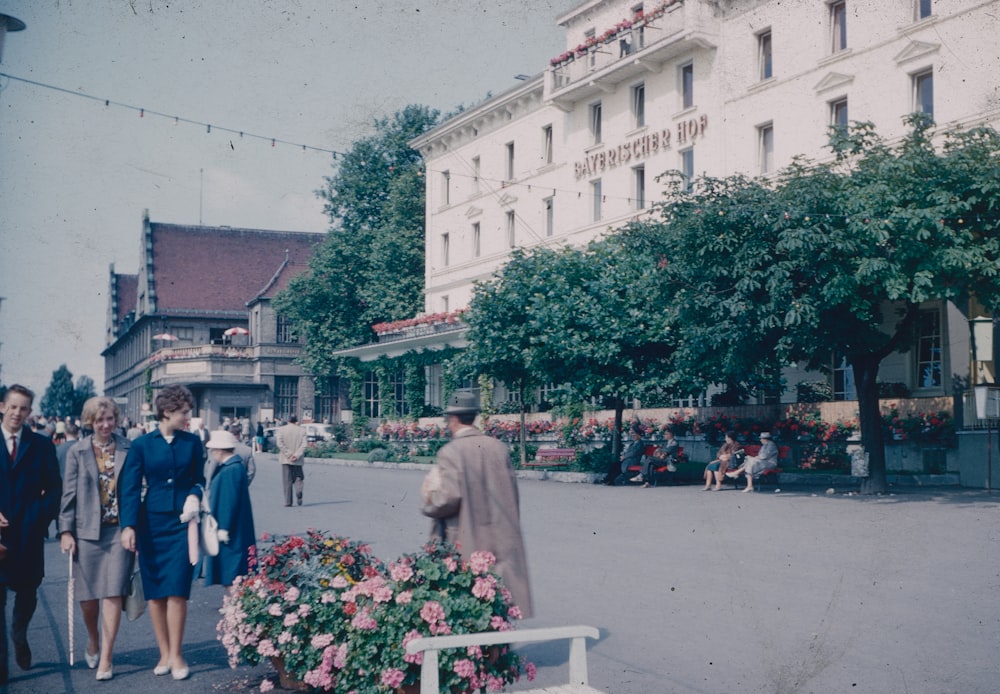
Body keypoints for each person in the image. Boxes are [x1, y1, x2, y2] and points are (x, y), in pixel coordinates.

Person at [119, 384, 205, 681]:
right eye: (184, 412)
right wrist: (128, 525)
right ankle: (164, 652)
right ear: (167, 411)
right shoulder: (142, 445)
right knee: (155, 594)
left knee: (177, 591)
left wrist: (195, 495)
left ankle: (178, 654)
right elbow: (129, 487)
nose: (188, 418)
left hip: (181, 524)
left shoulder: (192, 442)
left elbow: (198, 479)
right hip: (151, 524)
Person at [420, 390, 533, 617]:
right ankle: (498, 651)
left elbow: (448, 498)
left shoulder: (451, 451)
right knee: (497, 602)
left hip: (465, 538)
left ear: (453, 419)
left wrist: (429, 500)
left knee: (469, 605)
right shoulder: (498, 447)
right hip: (501, 536)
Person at [58, 397, 132, 681]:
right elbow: (68, 495)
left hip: (118, 531)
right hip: (86, 532)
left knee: (113, 593)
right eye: (99, 420)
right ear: (90, 422)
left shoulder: (128, 447)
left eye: (110, 419)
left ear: (116, 419)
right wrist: (65, 531)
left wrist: (133, 525)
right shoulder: (77, 451)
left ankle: (106, 657)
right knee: (88, 599)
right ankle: (93, 638)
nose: (105, 425)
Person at [0, 384, 62, 684]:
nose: (17, 413)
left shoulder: (41, 445)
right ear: (2, 407)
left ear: (29, 412)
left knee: (27, 595)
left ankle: (19, 633)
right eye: (13, 406)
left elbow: (54, 490)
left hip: (28, 535)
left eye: (24, 408)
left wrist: (38, 518)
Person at [202, 430, 256, 589]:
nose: (211, 454)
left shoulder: (230, 470)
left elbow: (228, 502)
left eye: (212, 450)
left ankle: (235, 610)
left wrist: (224, 528)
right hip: (234, 528)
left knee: (231, 575)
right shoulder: (234, 467)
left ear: (219, 450)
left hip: (230, 530)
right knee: (232, 574)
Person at [276, 415, 306, 507]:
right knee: (298, 476)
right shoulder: (302, 430)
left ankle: (288, 501)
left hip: (286, 458)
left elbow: (280, 444)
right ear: (296, 420)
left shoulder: (281, 430)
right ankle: (299, 490)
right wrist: (296, 455)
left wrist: (289, 454)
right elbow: (304, 445)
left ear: (288, 420)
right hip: (298, 459)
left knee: (287, 480)